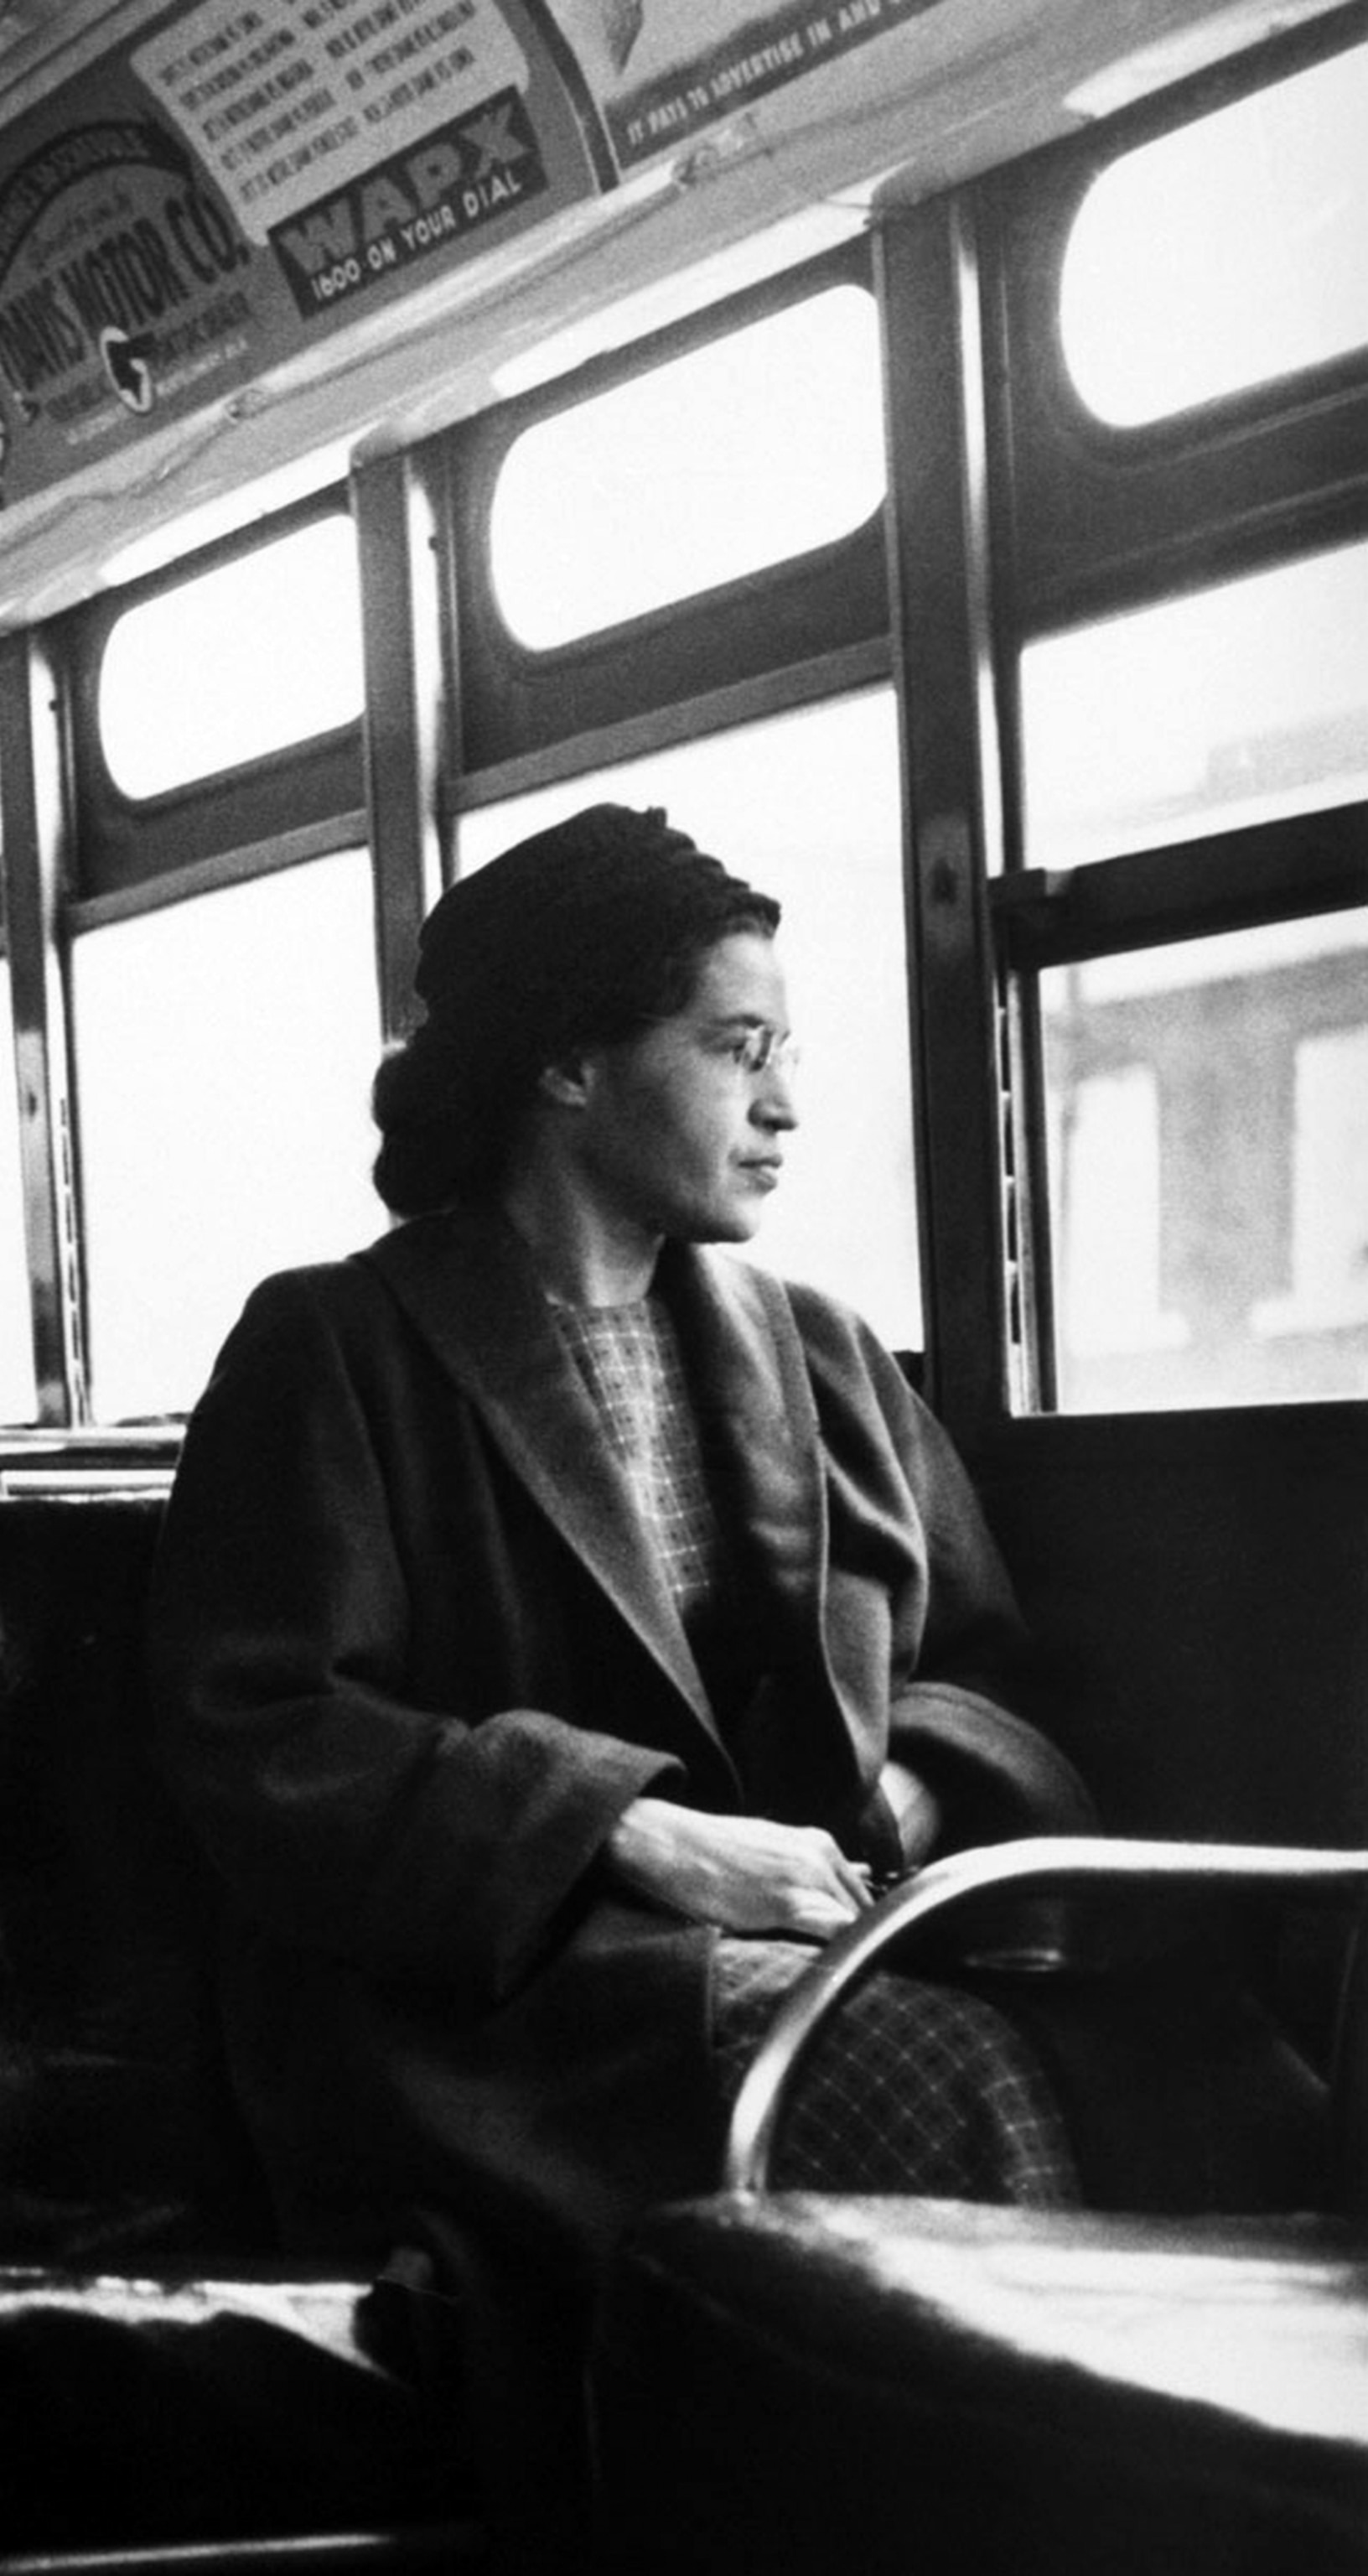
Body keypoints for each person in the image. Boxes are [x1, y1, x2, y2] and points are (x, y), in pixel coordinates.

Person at [148, 802, 1097, 2538]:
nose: (787, 1104)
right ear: (569, 1065)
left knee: (1189, 2058)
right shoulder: (334, 1345)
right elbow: (266, 1734)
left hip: (825, 1932)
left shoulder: (824, 1352)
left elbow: (985, 1678)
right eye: (738, 1048)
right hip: (494, 2010)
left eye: (785, 1051)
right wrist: (635, 1835)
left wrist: (898, 1796)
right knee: (932, 2074)